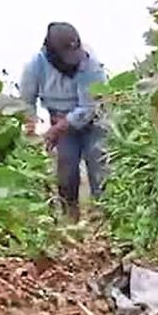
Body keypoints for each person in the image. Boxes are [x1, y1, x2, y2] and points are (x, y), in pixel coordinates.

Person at [18, 22, 107, 220]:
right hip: (61, 122)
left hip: (94, 120)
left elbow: (89, 107)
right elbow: (26, 103)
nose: (72, 64)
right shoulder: (35, 66)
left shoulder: (90, 62)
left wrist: (57, 128)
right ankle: (70, 218)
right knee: (66, 171)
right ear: (52, 56)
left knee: (99, 164)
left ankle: (103, 217)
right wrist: (31, 133)